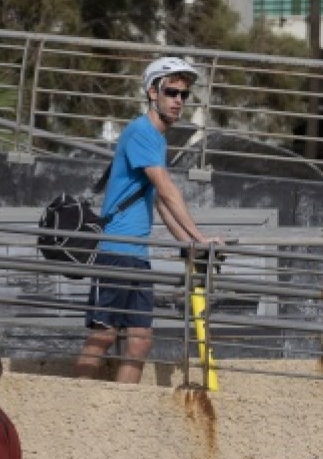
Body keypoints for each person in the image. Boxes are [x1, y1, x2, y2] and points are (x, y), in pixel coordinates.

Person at [75, 56, 220, 384]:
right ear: (152, 92)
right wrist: (198, 236)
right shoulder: (142, 131)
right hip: (115, 251)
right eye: (171, 92)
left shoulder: (156, 138)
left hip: (137, 255)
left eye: (184, 95)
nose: (178, 101)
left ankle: (124, 412)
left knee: (139, 340)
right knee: (103, 337)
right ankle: (77, 406)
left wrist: (189, 242)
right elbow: (168, 191)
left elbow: (159, 203)